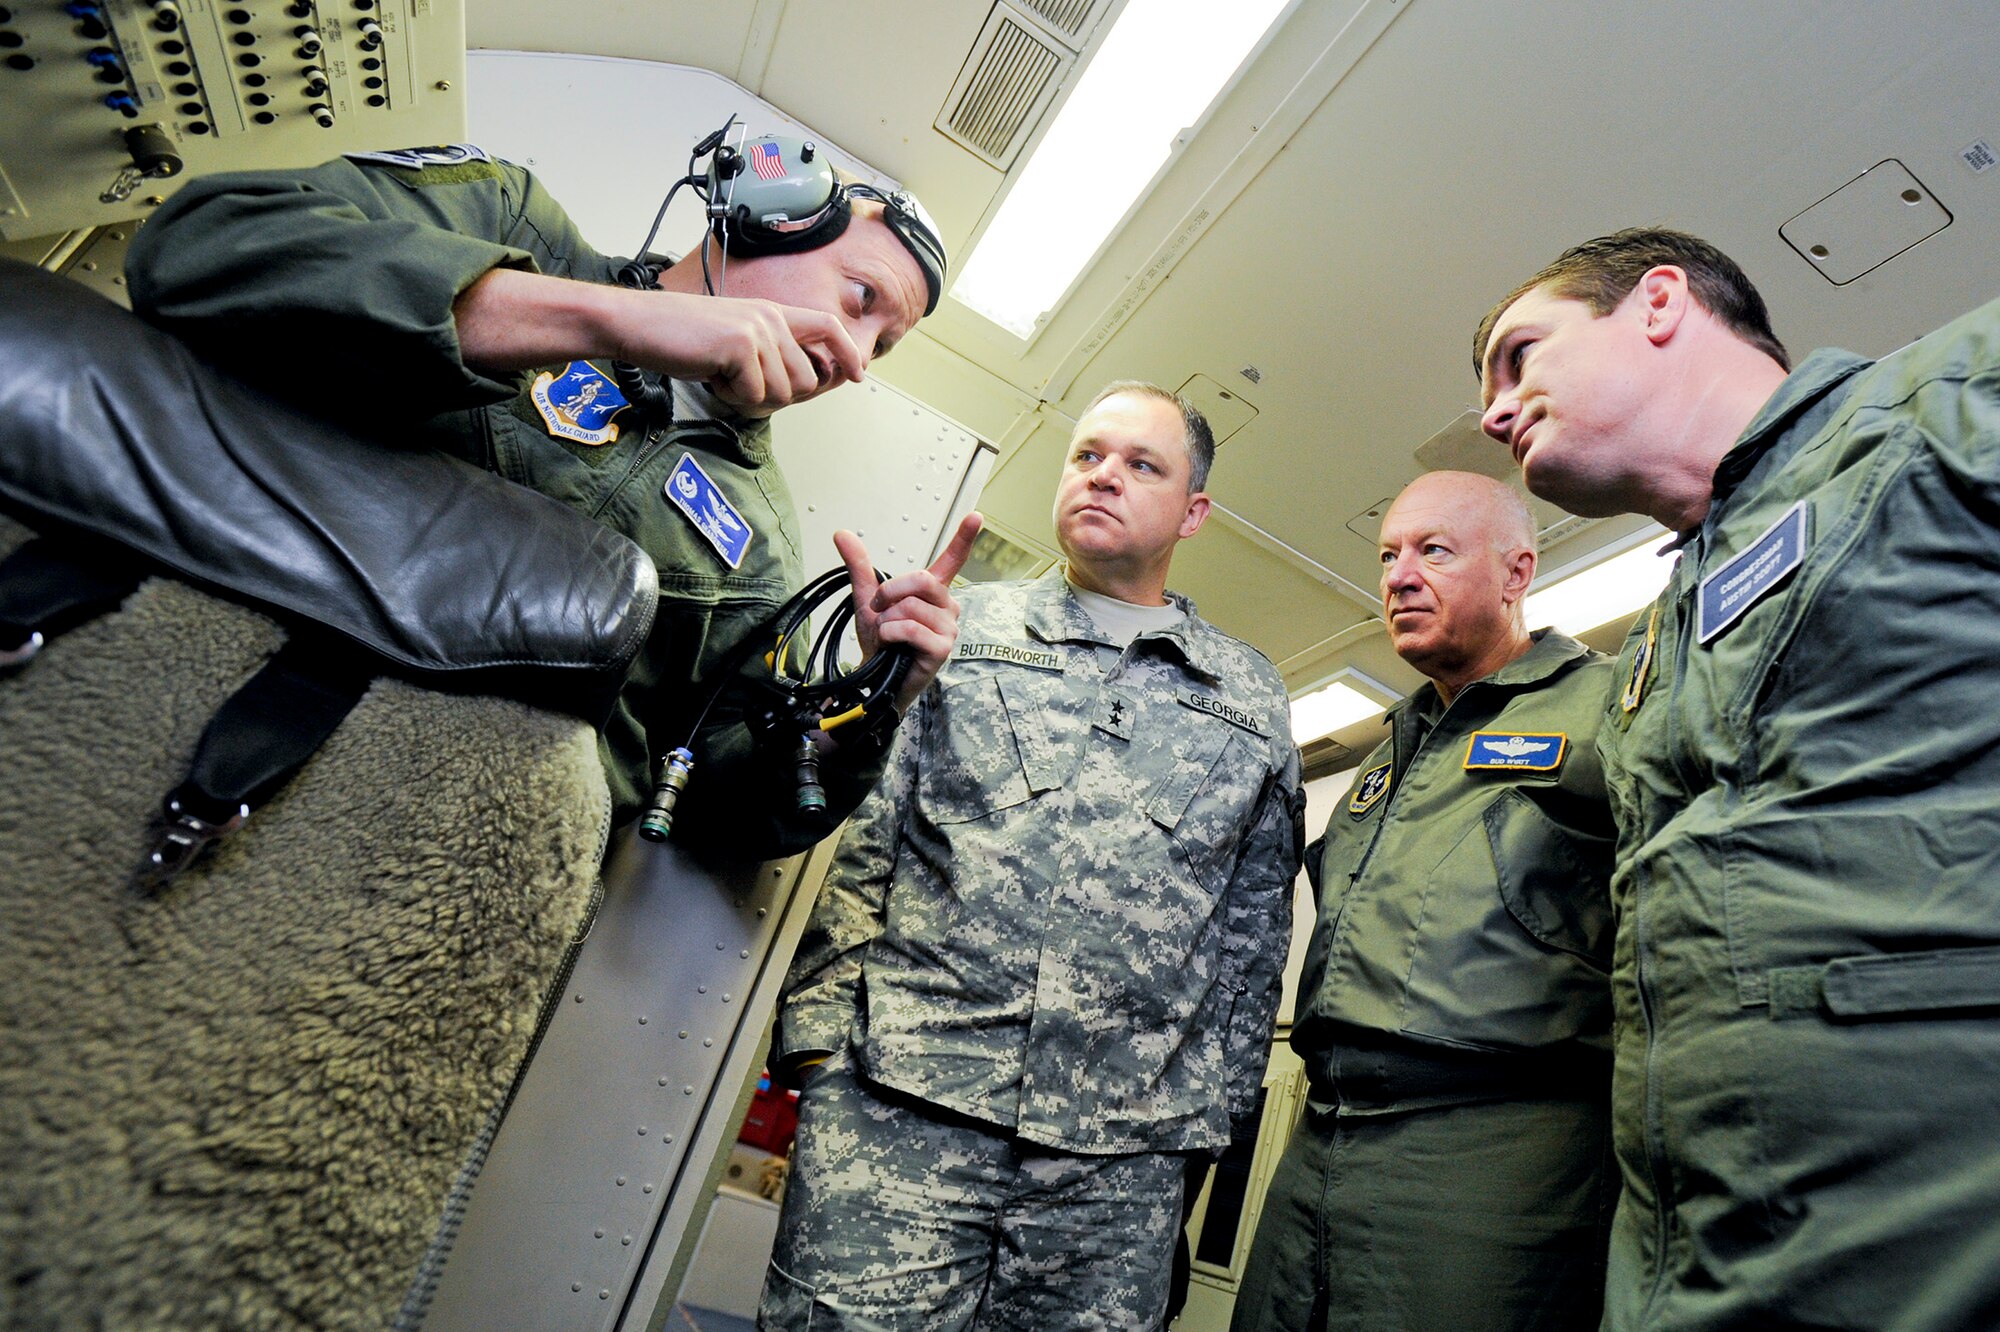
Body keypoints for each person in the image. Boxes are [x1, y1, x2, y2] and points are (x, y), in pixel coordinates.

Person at [122, 135, 977, 854]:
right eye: (861, 299)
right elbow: (201, 246)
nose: (859, 357)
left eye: (884, 344)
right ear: (769, 218)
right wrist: (603, 317)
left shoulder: (760, 549)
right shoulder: (510, 221)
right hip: (184, 681)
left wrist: (871, 696)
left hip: (432, 849)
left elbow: (725, 808)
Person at [1474, 228, 2000, 1329]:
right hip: (1700, 1245)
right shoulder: (1656, 640)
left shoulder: (1944, 402)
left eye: (1519, 355)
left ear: (1658, 303)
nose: (1491, 409)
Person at [761, 381, 1305, 1331]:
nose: (1104, 476)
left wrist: (1200, 1133)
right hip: (904, 1108)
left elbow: (1251, 936)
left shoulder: (1248, 694)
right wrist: (820, 1057)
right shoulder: (955, 629)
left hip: (1118, 1165)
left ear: (1194, 511)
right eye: (1088, 455)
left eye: (1143, 465)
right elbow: (869, 844)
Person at [1232, 471, 1618, 1332]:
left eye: (1433, 551)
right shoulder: (1388, 751)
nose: (1399, 576)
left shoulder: (1606, 711)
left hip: (1494, 1157)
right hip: (1324, 1136)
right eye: (1387, 555)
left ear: (1516, 572)